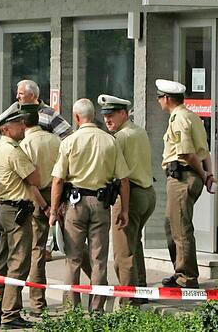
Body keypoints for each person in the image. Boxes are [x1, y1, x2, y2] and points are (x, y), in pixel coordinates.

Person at [49, 98, 130, 312]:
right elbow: (123, 180)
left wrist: (54, 210)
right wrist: (125, 210)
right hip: (101, 204)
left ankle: (72, 309)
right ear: (93, 116)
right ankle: (97, 309)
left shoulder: (69, 141)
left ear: (77, 118)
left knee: (73, 259)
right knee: (99, 260)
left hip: (75, 204)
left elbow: (58, 180)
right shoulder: (110, 141)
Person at [156, 79, 216, 289]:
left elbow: (187, 154)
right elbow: (204, 151)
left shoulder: (179, 118)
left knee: (180, 227)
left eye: (159, 97)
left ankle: (187, 276)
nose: (158, 101)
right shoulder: (192, 116)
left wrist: (203, 174)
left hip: (182, 176)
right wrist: (208, 174)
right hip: (188, 175)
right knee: (171, 223)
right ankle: (180, 271)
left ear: (167, 99)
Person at [99, 94, 156, 305]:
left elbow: (111, 170)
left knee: (123, 253)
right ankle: (141, 289)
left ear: (124, 113)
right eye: (105, 115)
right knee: (134, 244)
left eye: (112, 115)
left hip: (129, 195)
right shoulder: (139, 131)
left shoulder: (120, 137)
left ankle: (128, 301)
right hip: (147, 192)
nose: (107, 119)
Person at [0, 106, 40, 330]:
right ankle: (11, 314)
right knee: (19, 262)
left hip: (6, 210)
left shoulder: (0, 148)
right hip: (17, 212)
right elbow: (35, 179)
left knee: (3, 263)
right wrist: (35, 166)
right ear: (6, 129)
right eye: (18, 124)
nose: (23, 126)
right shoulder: (13, 150)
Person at [18, 104, 60, 315]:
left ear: (22, 123)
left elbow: (28, 181)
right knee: (75, 245)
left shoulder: (24, 145)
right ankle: (94, 287)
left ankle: (37, 302)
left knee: (37, 250)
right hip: (58, 193)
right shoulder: (55, 140)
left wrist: (44, 206)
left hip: (36, 198)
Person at [6, 80, 73, 138]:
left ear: (32, 95)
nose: (17, 97)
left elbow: (68, 137)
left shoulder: (49, 114)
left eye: (21, 94)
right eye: (17, 93)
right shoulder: (15, 112)